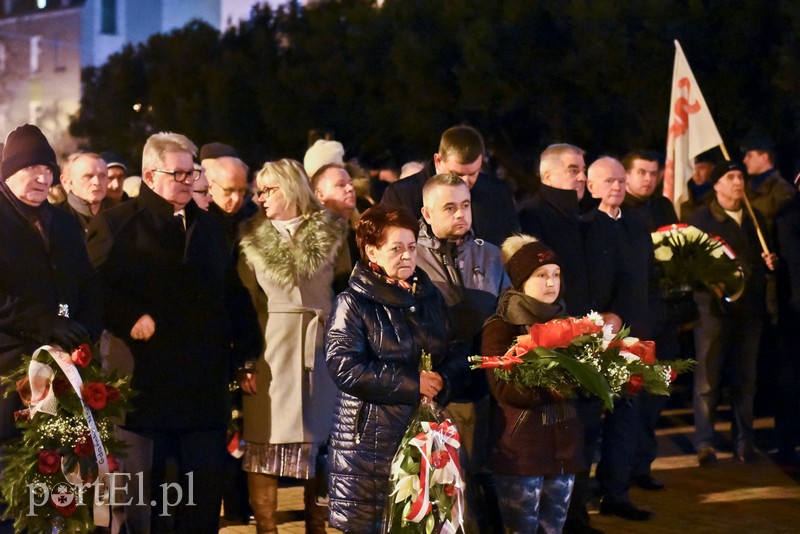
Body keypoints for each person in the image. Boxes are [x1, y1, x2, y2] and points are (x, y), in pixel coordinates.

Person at [87, 131, 260, 533]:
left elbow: (230, 293)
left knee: (199, 506)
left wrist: (246, 351)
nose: (188, 181)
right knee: (148, 509)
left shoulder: (210, 227)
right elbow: (91, 288)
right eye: (178, 173)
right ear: (150, 175)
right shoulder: (116, 224)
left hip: (202, 392)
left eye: (192, 172)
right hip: (144, 391)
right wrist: (130, 316)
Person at [325, 204, 467, 533]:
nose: (407, 256)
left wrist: (442, 381)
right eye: (396, 248)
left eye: (412, 247)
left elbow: (456, 349)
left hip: (424, 432)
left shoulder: (429, 297)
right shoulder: (353, 302)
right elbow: (344, 365)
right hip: (368, 441)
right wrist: (411, 382)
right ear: (372, 251)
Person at [237, 159, 345, 534]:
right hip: (271, 352)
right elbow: (245, 305)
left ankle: (318, 527)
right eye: (259, 191)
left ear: (291, 188)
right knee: (265, 444)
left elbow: (347, 290)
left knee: (322, 446)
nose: (260, 198)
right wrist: (245, 361)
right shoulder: (250, 238)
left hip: (322, 349)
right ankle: (267, 530)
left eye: (268, 190)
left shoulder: (333, 231)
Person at [416, 172, 510, 533]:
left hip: (486, 385)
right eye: (450, 207)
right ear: (427, 213)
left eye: (466, 205)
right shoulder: (413, 258)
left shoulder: (491, 256)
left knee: (481, 476)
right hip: (437, 387)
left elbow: (508, 311)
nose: (461, 215)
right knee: (446, 481)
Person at [0, 124, 103, 441]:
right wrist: (45, 324)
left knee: (59, 475)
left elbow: (84, 281)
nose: (43, 178)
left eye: (48, 169)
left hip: (67, 367)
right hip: (9, 370)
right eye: (32, 168)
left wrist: (84, 329)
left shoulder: (62, 222)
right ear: (9, 172)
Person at [481, 235, 582, 533]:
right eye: (541, 276)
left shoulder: (571, 324)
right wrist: (557, 385)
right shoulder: (501, 327)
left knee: (553, 528)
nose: (551, 283)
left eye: (556, 275)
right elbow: (504, 387)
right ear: (521, 281)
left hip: (564, 447)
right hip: (522, 449)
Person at [688, 161, 778, 466]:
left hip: (749, 311)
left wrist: (769, 262)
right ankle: (704, 443)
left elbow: (763, 260)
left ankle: (744, 441)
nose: (738, 181)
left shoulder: (755, 219)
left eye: (740, 176)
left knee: (745, 380)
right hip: (712, 312)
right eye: (730, 177)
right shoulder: (701, 220)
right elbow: (692, 267)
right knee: (708, 380)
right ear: (717, 184)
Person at [585, 157, 656, 522]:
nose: (617, 187)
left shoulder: (637, 224)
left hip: (634, 338)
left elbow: (647, 277)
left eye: (620, 181)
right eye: (608, 181)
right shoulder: (586, 226)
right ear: (591, 186)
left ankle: (616, 491)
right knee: (590, 422)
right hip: (597, 338)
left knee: (626, 417)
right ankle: (581, 498)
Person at [381, 125, 518, 246]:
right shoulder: (401, 195)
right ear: (438, 161)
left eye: (473, 173)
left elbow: (512, 245)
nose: (464, 182)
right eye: (456, 174)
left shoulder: (497, 193)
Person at [741, 136, 794, 230]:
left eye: (749, 155)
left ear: (764, 157)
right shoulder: (743, 188)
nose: (744, 160)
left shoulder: (782, 190)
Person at [58, 152, 110, 234]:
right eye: (88, 176)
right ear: (67, 182)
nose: (97, 182)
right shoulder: (53, 219)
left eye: (102, 176)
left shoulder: (120, 216)